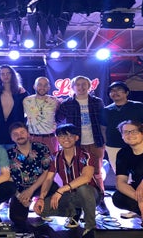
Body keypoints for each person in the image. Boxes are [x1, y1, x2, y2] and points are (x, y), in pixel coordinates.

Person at [33, 124, 99, 237]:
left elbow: (86, 178)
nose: (66, 139)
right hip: (70, 196)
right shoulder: (55, 156)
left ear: (76, 138)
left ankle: (90, 227)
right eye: (62, 136)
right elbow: (49, 179)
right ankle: (75, 212)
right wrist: (41, 198)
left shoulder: (86, 155)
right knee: (42, 210)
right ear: (57, 138)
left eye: (70, 136)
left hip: (91, 194)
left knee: (83, 189)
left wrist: (60, 190)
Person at [55, 75, 109, 215]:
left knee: (97, 173)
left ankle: (100, 200)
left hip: (95, 142)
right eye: (78, 84)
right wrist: (57, 104)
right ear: (72, 87)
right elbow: (58, 119)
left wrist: (104, 141)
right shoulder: (67, 103)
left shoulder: (97, 102)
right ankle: (76, 205)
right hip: (76, 144)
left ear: (89, 86)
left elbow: (104, 122)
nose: (81, 87)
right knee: (76, 174)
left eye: (84, 84)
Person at [7, 122, 58, 231]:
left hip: (39, 184)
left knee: (54, 188)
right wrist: (19, 195)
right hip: (19, 188)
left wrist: (31, 190)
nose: (19, 135)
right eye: (15, 134)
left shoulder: (41, 148)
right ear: (11, 138)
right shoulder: (9, 154)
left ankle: (43, 210)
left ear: (28, 133)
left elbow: (46, 172)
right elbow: (8, 178)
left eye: (22, 132)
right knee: (17, 219)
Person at [101, 81, 143, 173]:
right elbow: (103, 128)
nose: (115, 92)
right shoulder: (106, 110)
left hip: (136, 145)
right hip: (113, 146)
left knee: (137, 172)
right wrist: (105, 144)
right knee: (119, 173)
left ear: (127, 93)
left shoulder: (139, 106)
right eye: (112, 91)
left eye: (119, 90)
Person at [0, 65, 29, 149]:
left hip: (16, 134)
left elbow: (32, 108)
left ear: (12, 75)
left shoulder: (21, 93)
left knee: (16, 161)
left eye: (8, 73)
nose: (5, 76)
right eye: (2, 74)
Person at [23, 76, 60, 154]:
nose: (42, 87)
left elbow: (59, 116)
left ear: (49, 87)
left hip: (51, 137)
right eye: (39, 84)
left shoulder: (55, 101)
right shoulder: (26, 101)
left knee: (53, 163)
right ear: (34, 86)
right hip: (32, 137)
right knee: (33, 163)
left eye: (45, 85)